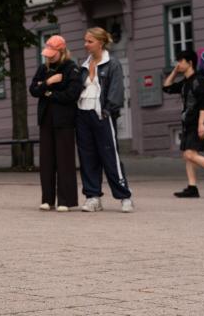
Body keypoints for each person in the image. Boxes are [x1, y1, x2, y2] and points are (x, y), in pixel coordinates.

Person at [76, 27, 134, 213]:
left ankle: (124, 196)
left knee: (110, 156)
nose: (86, 44)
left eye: (89, 41)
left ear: (100, 43)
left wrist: (108, 110)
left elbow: (116, 91)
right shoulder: (84, 65)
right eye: (85, 41)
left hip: (102, 115)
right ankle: (93, 197)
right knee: (87, 157)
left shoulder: (112, 64)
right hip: (83, 114)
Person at [163, 49, 204, 197]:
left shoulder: (199, 81)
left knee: (189, 154)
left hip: (197, 123)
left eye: (181, 61)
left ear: (190, 63)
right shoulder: (186, 82)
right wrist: (174, 72)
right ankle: (192, 188)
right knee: (188, 155)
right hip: (188, 124)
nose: (178, 64)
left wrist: (201, 124)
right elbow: (166, 87)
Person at [29, 35, 83, 212]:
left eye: (52, 55)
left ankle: (65, 200)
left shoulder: (71, 68)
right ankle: (47, 199)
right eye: (47, 54)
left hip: (64, 120)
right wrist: (48, 82)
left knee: (64, 160)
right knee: (46, 160)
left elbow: (72, 94)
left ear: (61, 51)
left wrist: (50, 94)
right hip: (46, 119)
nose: (49, 57)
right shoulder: (43, 68)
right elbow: (34, 90)